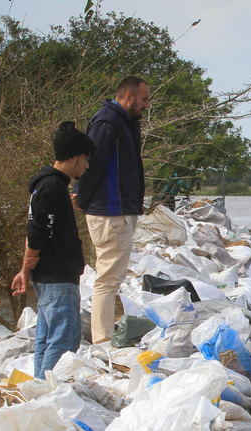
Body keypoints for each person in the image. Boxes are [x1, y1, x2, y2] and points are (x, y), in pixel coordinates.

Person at [12, 121, 95, 379]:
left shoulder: (46, 186)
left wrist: (25, 270)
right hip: (57, 278)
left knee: (46, 340)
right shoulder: (52, 187)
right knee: (63, 342)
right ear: (72, 158)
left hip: (50, 277)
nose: (86, 165)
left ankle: (39, 388)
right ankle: (48, 394)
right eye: (84, 159)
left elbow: (37, 229)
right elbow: (38, 232)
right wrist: (28, 264)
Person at [74, 75, 151, 343]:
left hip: (119, 210)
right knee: (107, 280)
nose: (147, 105)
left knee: (111, 279)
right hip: (109, 212)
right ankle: (102, 340)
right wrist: (80, 196)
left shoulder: (126, 122)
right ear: (128, 97)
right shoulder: (107, 122)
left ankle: (103, 336)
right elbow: (91, 165)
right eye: (144, 99)